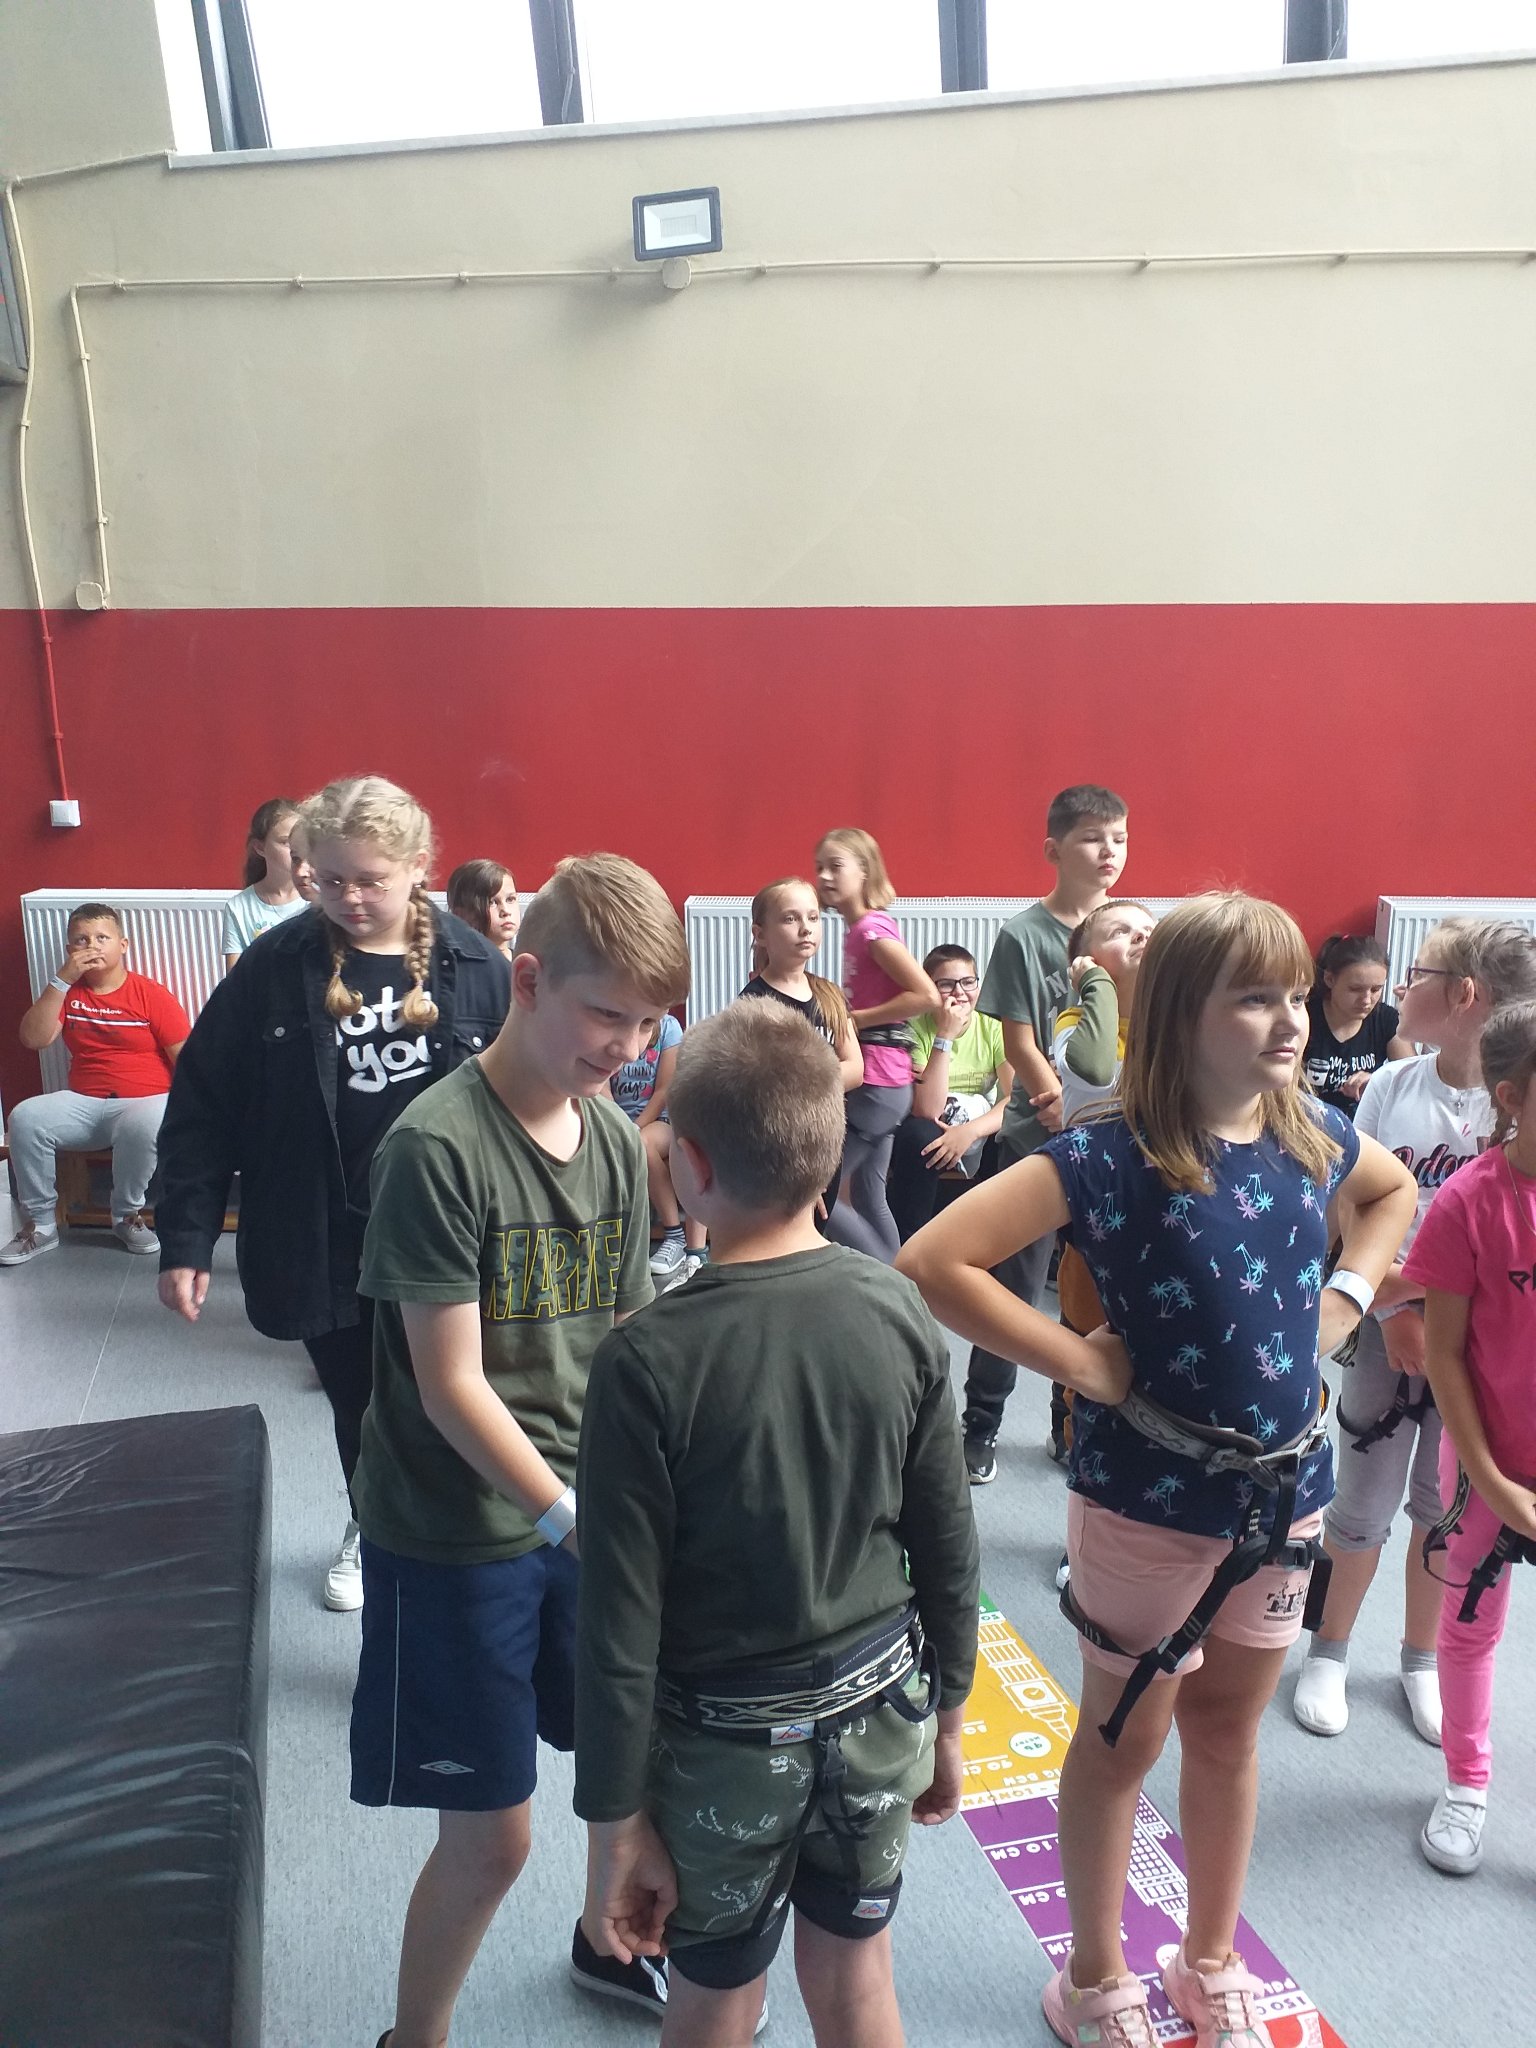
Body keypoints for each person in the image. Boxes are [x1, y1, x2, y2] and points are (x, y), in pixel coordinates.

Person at [898, 893, 1416, 2048]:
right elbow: (937, 1260)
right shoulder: (1106, 1153)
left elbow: (1391, 1193)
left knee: (1229, 1729)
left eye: (1295, 994)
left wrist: (1345, 1300)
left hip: (1283, 1497)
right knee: (1123, 1737)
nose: (1291, 1019)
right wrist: (1080, 1358)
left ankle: (1209, 1955)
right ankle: (1093, 1975)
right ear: (1182, 1011)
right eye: (1256, 997)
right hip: (1149, 1503)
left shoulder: (1310, 1128)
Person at [575, 999, 979, 2048]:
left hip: (724, 1746)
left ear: (690, 1165)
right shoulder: (897, 1307)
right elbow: (947, 1539)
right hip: (883, 1711)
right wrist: (951, 1716)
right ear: (830, 1149)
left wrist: (614, 1824)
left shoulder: (642, 1358)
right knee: (855, 1976)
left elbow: (618, 1618)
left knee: (716, 1996)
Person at [349, 853, 692, 2048]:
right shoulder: (436, 1148)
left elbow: (627, 1326)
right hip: (459, 1530)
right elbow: (449, 1385)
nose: (628, 1045)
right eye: (608, 1014)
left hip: (583, 1506)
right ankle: (415, 2035)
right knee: (494, 1838)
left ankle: (607, 1938)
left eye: (648, 1022)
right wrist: (570, 1515)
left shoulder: (616, 1141)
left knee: (622, 1763)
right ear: (530, 979)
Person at [154, 776, 509, 1612]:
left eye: (371, 880)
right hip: (324, 1232)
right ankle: (373, 1528)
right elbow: (203, 1099)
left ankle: (471, 1547)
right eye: (330, 879)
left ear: (419, 866)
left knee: (458, 1397)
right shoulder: (275, 967)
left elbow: (532, 1101)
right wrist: (186, 1239)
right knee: (363, 1408)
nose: (350, 898)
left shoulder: (477, 966)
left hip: (449, 1238)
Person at [1294, 918, 1536, 1744]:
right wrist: (1397, 1310)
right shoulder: (1394, 1086)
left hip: (1476, 1351)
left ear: (1464, 994)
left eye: (1418, 974)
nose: (1401, 989)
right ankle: (1326, 1648)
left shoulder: (1515, 1107)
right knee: (1357, 1500)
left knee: (1443, 1507)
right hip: (1384, 1329)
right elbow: (1353, 1208)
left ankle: (1420, 1657)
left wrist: (1430, 1310)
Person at [959, 784, 1129, 1484]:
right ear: (1055, 850)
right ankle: (981, 1424)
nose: (1109, 851)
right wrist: (1055, 1098)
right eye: (1094, 838)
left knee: (1097, 1298)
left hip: (1114, 1147)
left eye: (1119, 838)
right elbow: (1019, 1040)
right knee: (1013, 1290)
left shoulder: (1130, 932)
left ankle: (1071, 1423)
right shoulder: (1024, 936)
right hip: (1039, 1140)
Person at [1406, 999, 1536, 1876]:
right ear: (1512, 1097)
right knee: (1469, 1623)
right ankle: (1466, 1783)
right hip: (1486, 1462)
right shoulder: (1469, 1201)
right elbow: (1444, 1355)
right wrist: (1490, 1481)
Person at [2, 903, 191, 1265]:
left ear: (123, 945)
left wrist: (194, 1111)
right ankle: (41, 1225)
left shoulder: (150, 994)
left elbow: (187, 1060)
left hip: (146, 1100)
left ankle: (125, 1215)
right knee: (25, 1116)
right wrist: (61, 980)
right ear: (70, 949)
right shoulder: (67, 993)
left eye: (102, 937)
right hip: (84, 1102)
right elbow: (33, 1038)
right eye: (81, 940)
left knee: (145, 1124)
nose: (92, 946)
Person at [1044, 900, 1158, 1465]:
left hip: (1163, 1214)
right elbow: (1093, 1068)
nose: (1141, 936)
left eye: (1149, 929)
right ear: (1085, 962)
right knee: (1089, 1346)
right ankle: (1074, 1448)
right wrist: (1096, 984)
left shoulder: (1172, 1027)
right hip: (1098, 1218)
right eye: (1121, 931)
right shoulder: (1077, 1024)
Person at [814, 829, 938, 1264]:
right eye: (819, 867)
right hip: (886, 1083)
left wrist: (855, 1019)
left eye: (836, 866)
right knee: (869, 1195)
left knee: (818, 1196)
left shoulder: (870, 931)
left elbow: (926, 995)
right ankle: (903, 1282)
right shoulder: (859, 930)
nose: (823, 876)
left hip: (878, 1086)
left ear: (864, 872)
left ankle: (889, 1279)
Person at [740, 876, 864, 1236]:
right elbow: (767, 1090)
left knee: (815, 1231)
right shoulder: (755, 1004)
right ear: (761, 934)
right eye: (790, 919)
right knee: (782, 1235)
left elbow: (856, 1069)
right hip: (783, 1149)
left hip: (828, 1140)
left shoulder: (829, 995)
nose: (805, 928)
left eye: (813, 917)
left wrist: (801, 1080)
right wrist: (821, 1078)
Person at [887, 945, 1012, 1244]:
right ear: (930, 989)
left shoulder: (994, 1028)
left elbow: (1014, 1099)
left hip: (976, 1124)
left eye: (968, 982)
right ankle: (909, 1242)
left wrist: (969, 1132)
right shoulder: (913, 1028)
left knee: (1012, 1139)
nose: (960, 992)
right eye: (946, 984)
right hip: (930, 1124)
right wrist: (945, 1035)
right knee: (920, 1136)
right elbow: (926, 1109)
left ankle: (992, 1245)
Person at [608, 1011, 706, 1283]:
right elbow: (603, 1089)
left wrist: (634, 1128)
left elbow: (664, 1090)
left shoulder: (669, 1029)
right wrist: (618, 1126)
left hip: (657, 1122)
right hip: (615, 1121)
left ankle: (674, 1237)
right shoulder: (613, 1024)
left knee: (641, 1143)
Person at [1303, 934, 1414, 1116]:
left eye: (1376, 989)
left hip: (1363, 1122)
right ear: (1329, 979)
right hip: (1308, 1119)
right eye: (1355, 989)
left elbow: (1412, 1081)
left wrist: (1377, 1081)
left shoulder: (1386, 1019)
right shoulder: (1306, 1017)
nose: (1367, 1000)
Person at [222, 797, 308, 970]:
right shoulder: (238, 907)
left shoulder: (317, 899)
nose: (295, 849)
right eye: (286, 842)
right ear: (260, 848)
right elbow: (234, 977)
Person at [446, 858, 520, 959]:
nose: (506, 911)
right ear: (459, 915)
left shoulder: (526, 963)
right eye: (491, 902)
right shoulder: (458, 965)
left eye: (510, 899)